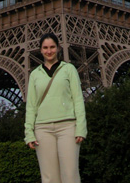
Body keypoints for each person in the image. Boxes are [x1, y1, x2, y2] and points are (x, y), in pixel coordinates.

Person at [25, 32, 87, 183]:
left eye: (52, 47)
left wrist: (81, 127)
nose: (49, 51)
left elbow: (78, 99)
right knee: (49, 178)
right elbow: (31, 105)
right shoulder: (35, 74)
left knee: (70, 175)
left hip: (67, 126)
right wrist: (29, 132)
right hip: (43, 129)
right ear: (40, 50)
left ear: (58, 48)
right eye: (45, 48)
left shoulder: (69, 69)